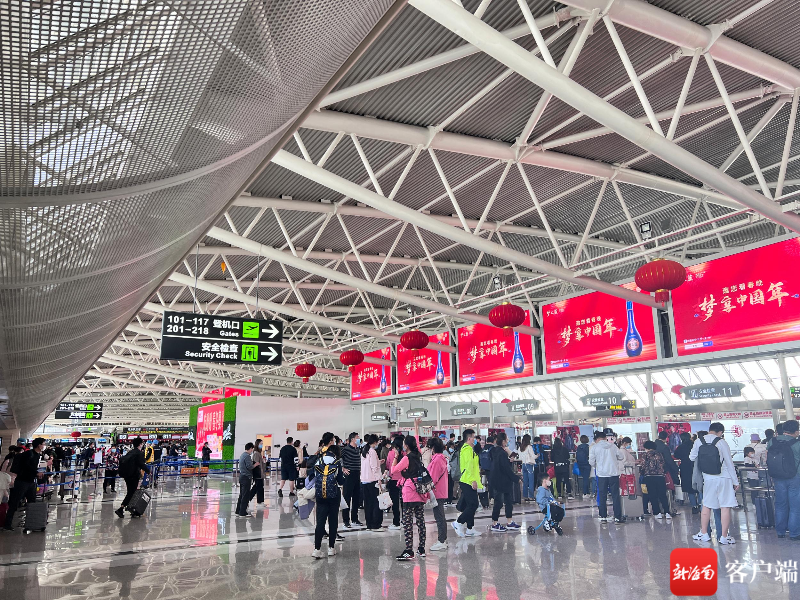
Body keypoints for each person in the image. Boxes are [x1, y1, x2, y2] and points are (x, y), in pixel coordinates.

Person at [690, 422, 739, 544]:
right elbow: (729, 462)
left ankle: (704, 533)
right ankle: (724, 536)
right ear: (720, 432)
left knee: (706, 505)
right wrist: (735, 481)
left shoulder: (699, 441)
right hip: (724, 478)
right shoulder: (721, 442)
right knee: (725, 506)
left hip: (708, 478)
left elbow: (691, 457)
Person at [391, 434, 429, 560]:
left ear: (406, 446)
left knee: (407, 521)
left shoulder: (406, 458)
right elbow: (416, 441)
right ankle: (421, 548)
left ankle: (409, 550)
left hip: (409, 491)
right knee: (420, 520)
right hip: (419, 490)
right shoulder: (418, 455)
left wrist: (396, 456)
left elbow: (394, 470)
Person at [308, 433, 346, 558]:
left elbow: (311, 475)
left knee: (320, 522)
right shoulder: (337, 462)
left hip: (320, 494)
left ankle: (317, 549)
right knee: (333, 521)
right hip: (334, 495)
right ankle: (331, 548)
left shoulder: (318, 460)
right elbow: (340, 481)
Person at [767, 419, 800, 540]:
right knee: (795, 506)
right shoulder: (797, 443)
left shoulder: (772, 441)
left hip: (777, 476)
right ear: (796, 431)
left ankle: (780, 531)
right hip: (794, 477)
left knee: (780, 504)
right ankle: (794, 533)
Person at [3, 438, 46, 531]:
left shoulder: (38, 455)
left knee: (32, 502)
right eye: (43, 444)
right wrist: (36, 473)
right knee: (14, 502)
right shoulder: (29, 454)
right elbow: (26, 466)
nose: (44, 446)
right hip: (22, 481)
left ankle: (32, 524)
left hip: (31, 482)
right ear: (39, 445)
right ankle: (7, 524)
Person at [589, 431, 625, 524]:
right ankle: (618, 517)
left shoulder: (594, 447)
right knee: (615, 495)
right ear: (605, 438)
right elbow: (621, 457)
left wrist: (597, 466)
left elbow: (591, 461)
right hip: (613, 474)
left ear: (597, 439)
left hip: (602, 475)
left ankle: (603, 516)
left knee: (602, 495)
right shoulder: (613, 446)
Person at [489, 432, 521, 532]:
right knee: (500, 502)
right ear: (503, 441)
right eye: (506, 439)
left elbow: (501, 465)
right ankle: (495, 523)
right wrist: (516, 479)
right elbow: (506, 469)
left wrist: (508, 461)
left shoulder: (495, 451)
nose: (508, 441)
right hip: (501, 480)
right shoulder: (502, 453)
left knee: (507, 501)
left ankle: (509, 521)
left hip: (499, 479)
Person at [452, 428, 481, 538]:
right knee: (474, 504)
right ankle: (458, 522)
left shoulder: (468, 449)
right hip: (467, 480)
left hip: (467, 480)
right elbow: (468, 467)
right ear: (469, 438)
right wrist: (472, 480)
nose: (475, 439)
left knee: (470, 504)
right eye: (473, 437)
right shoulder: (467, 450)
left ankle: (470, 528)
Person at [115, 437, 148, 519]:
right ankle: (121, 508)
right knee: (131, 492)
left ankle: (132, 509)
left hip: (127, 474)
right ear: (140, 444)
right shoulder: (139, 453)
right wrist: (148, 471)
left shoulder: (131, 452)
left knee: (131, 491)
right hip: (133, 475)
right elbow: (141, 464)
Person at [426, 436, 449, 551]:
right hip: (441, 490)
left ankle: (442, 541)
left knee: (439, 516)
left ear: (433, 448)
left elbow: (432, 478)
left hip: (437, 491)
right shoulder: (441, 458)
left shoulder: (436, 460)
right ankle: (442, 539)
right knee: (440, 516)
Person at [640, 441, 671, 521]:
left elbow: (643, 466)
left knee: (653, 495)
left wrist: (642, 473)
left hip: (649, 477)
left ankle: (657, 513)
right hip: (660, 476)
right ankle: (667, 512)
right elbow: (663, 464)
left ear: (646, 447)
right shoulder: (659, 454)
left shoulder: (645, 455)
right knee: (662, 495)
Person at [673, 432, 700, 513]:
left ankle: (694, 506)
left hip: (685, 468)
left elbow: (676, 455)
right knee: (699, 487)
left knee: (689, 488)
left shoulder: (681, 447)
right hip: (696, 467)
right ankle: (700, 504)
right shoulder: (694, 445)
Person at [360, 434, 383, 531]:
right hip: (372, 480)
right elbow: (374, 468)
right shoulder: (372, 452)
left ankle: (369, 524)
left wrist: (379, 462)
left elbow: (368, 465)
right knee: (375, 503)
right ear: (375, 442)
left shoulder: (364, 451)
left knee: (367, 503)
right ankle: (376, 524)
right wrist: (379, 479)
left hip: (364, 480)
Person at [341, 432, 363, 528]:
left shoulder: (358, 449)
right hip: (349, 475)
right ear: (353, 439)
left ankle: (355, 518)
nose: (359, 439)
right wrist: (343, 468)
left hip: (357, 474)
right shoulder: (345, 449)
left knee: (356, 497)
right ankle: (346, 520)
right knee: (347, 497)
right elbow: (338, 459)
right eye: (357, 437)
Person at [386, 435, 404, 530]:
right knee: (404, 502)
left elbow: (388, 466)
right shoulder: (405, 454)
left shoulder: (391, 453)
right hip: (404, 480)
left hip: (393, 480)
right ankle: (405, 520)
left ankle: (396, 522)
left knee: (395, 502)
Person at [655, 430, 679, 495]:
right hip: (665, 469)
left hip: (654, 470)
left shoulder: (654, 445)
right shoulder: (664, 447)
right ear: (666, 438)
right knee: (668, 486)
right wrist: (676, 469)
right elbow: (669, 460)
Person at [236, 442, 255, 517]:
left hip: (242, 476)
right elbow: (249, 466)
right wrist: (255, 464)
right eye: (252, 449)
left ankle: (238, 510)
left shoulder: (242, 455)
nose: (252, 450)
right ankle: (243, 512)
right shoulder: (247, 456)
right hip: (246, 477)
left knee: (242, 494)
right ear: (250, 448)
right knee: (245, 495)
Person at [519, 434, 538, 501]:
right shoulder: (529, 447)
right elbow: (533, 456)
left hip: (523, 465)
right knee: (531, 481)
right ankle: (531, 496)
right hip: (529, 465)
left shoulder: (520, 447)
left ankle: (525, 496)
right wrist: (537, 455)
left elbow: (519, 456)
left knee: (525, 481)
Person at [478, 435, 495, 509]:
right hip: (492, 468)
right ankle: (493, 497)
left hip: (485, 468)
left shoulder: (483, 448)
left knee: (489, 483)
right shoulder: (493, 448)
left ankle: (491, 498)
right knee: (493, 483)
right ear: (493, 441)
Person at [248, 438, 265, 507]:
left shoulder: (258, 453)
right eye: (260, 444)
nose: (261, 445)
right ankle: (258, 501)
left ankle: (259, 501)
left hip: (260, 473)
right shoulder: (256, 454)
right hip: (258, 473)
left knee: (258, 487)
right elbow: (256, 463)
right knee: (258, 487)